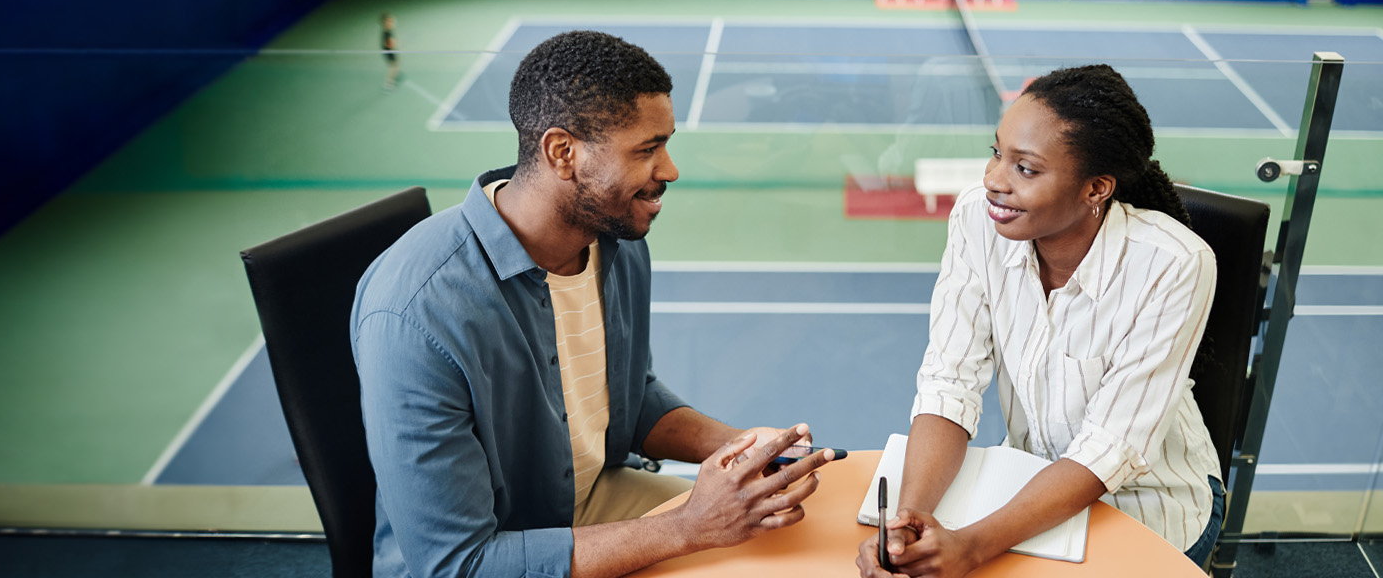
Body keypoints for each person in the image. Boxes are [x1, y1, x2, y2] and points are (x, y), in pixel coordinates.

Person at [352, 30, 838, 578]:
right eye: (647, 149)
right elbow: (455, 565)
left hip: (590, 502)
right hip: (501, 546)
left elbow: (628, 398)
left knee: (791, 544)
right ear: (564, 152)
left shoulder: (616, 244)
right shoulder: (418, 314)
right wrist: (685, 528)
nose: (670, 169)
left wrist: (738, 448)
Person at [857, 65, 1223, 577]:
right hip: (1030, 481)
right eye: (996, 153)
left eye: (1025, 169)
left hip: (1152, 506)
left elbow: (1111, 445)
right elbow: (949, 381)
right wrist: (911, 520)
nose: (993, 181)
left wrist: (972, 546)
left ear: (1096, 188)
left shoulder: (1174, 263)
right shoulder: (975, 220)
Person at [380, 13, 400, 90]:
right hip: (389, 52)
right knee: (393, 67)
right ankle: (388, 84)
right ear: (385, 23)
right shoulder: (387, 33)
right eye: (390, 21)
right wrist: (394, 43)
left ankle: (393, 80)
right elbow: (389, 44)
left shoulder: (389, 30)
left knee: (395, 65)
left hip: (390, 51)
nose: (392, 23)